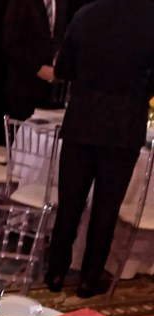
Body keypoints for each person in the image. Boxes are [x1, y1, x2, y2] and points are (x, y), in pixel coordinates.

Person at [45, 0, 154, 298]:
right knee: (106, 209)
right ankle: (89, 278)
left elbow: (63, 68)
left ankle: (55, 271)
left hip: (81, 122)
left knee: (70, 203)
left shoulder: (87, 13)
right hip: (124, 128)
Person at [3, 0, 68, 120]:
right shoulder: (20, 3)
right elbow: (10, 43)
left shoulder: (62, 3)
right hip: (23, 89)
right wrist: (37, 68)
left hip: (51, 93)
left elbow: (59, 36)